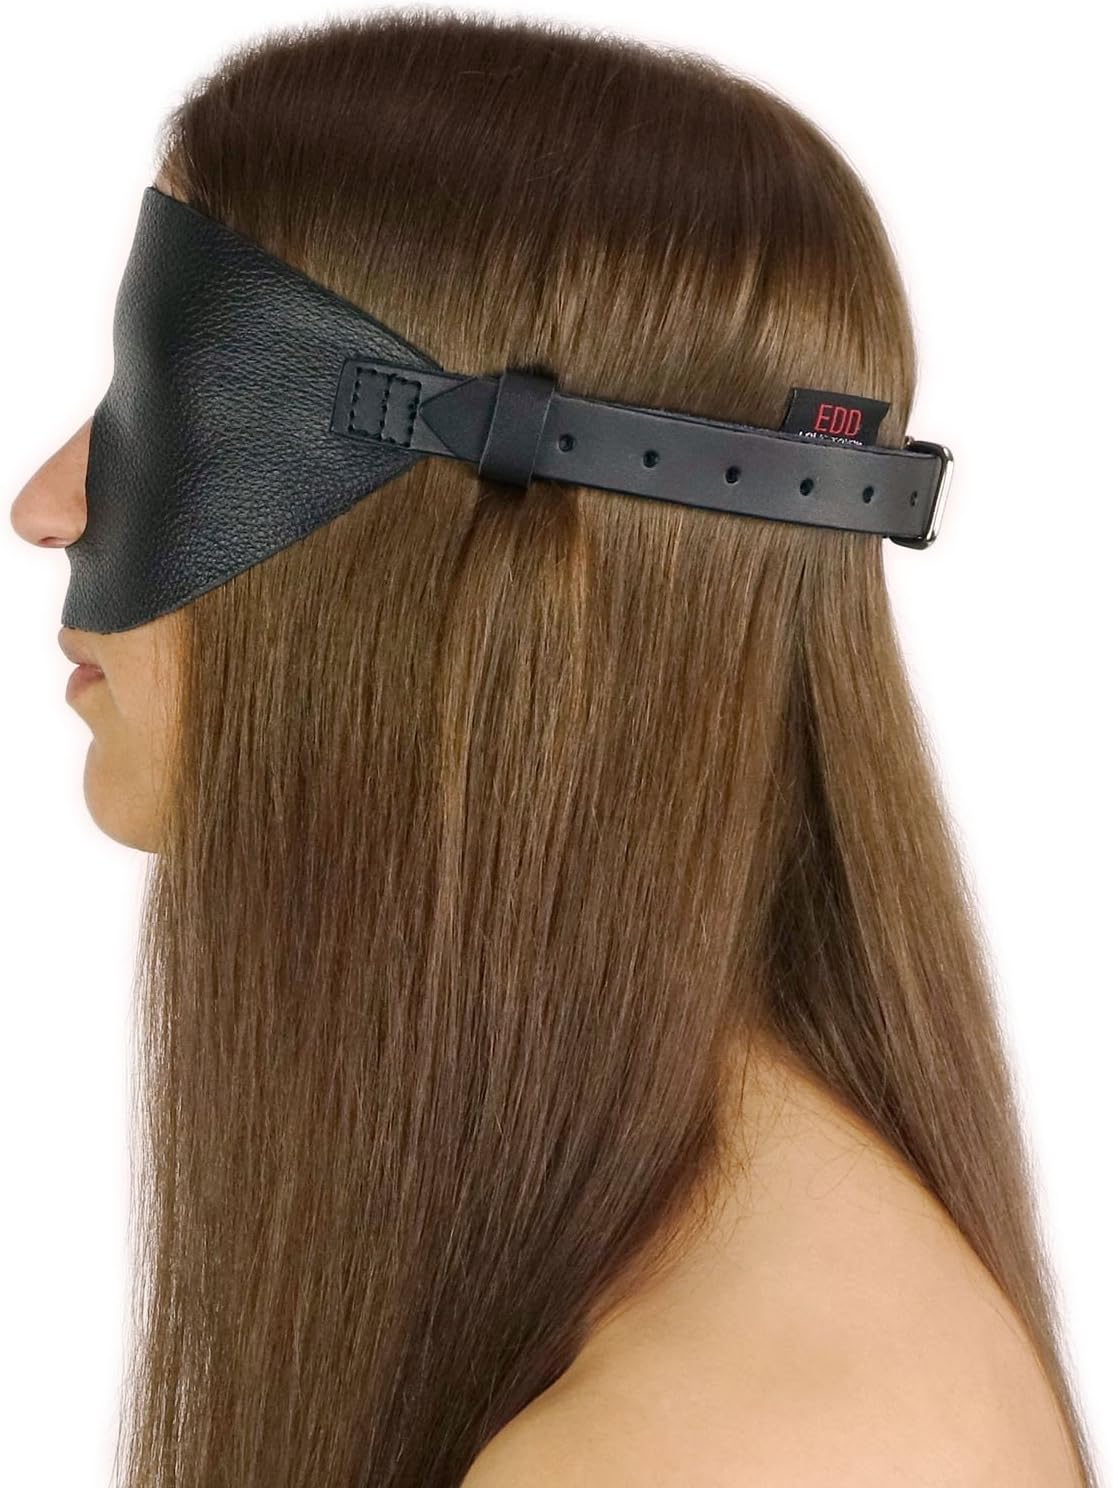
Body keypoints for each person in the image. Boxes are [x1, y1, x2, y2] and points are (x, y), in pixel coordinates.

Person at [10, 13, 1095, 1488]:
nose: (46, 504)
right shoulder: (675, 1282)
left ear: (467, 524)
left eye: (178, 402)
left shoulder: (728, 1446)